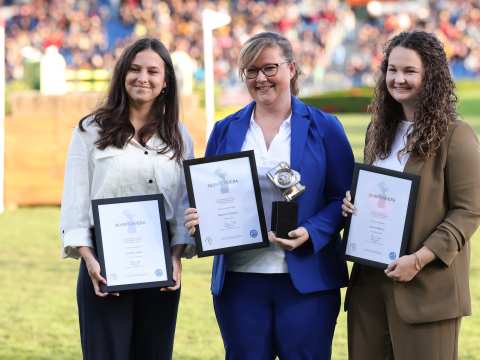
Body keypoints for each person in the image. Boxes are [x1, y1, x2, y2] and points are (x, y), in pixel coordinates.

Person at [184, 32, 354, 359]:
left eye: (269, 68)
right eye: (251, 70)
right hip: (239, 282)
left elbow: (343, 199)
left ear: (291, 69)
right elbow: (208, 193)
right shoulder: (226, 129)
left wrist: (312, 231)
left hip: (307, 282)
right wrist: (198, 218)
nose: (261, 78)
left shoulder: (325, 127)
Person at [342, 31, 480, 360]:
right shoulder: (377, 130)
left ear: (431, 76)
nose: (398, 79)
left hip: (426, 291)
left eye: (409, 71)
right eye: (392, 70)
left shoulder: (456, 136)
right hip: (370, 289)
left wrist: (419, 259)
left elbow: (469, 211)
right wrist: (353, 205)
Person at [60, 37, 194, 360]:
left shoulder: (178, 135)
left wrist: (175, 257)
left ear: (165, 82)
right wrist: (90, 261)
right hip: (104, 263)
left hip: (160, 266)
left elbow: (181, 204)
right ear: (122, 75)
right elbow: (75, 203)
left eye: (152, 71)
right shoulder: (89, 131)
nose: (142, 78)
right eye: (134, 69)